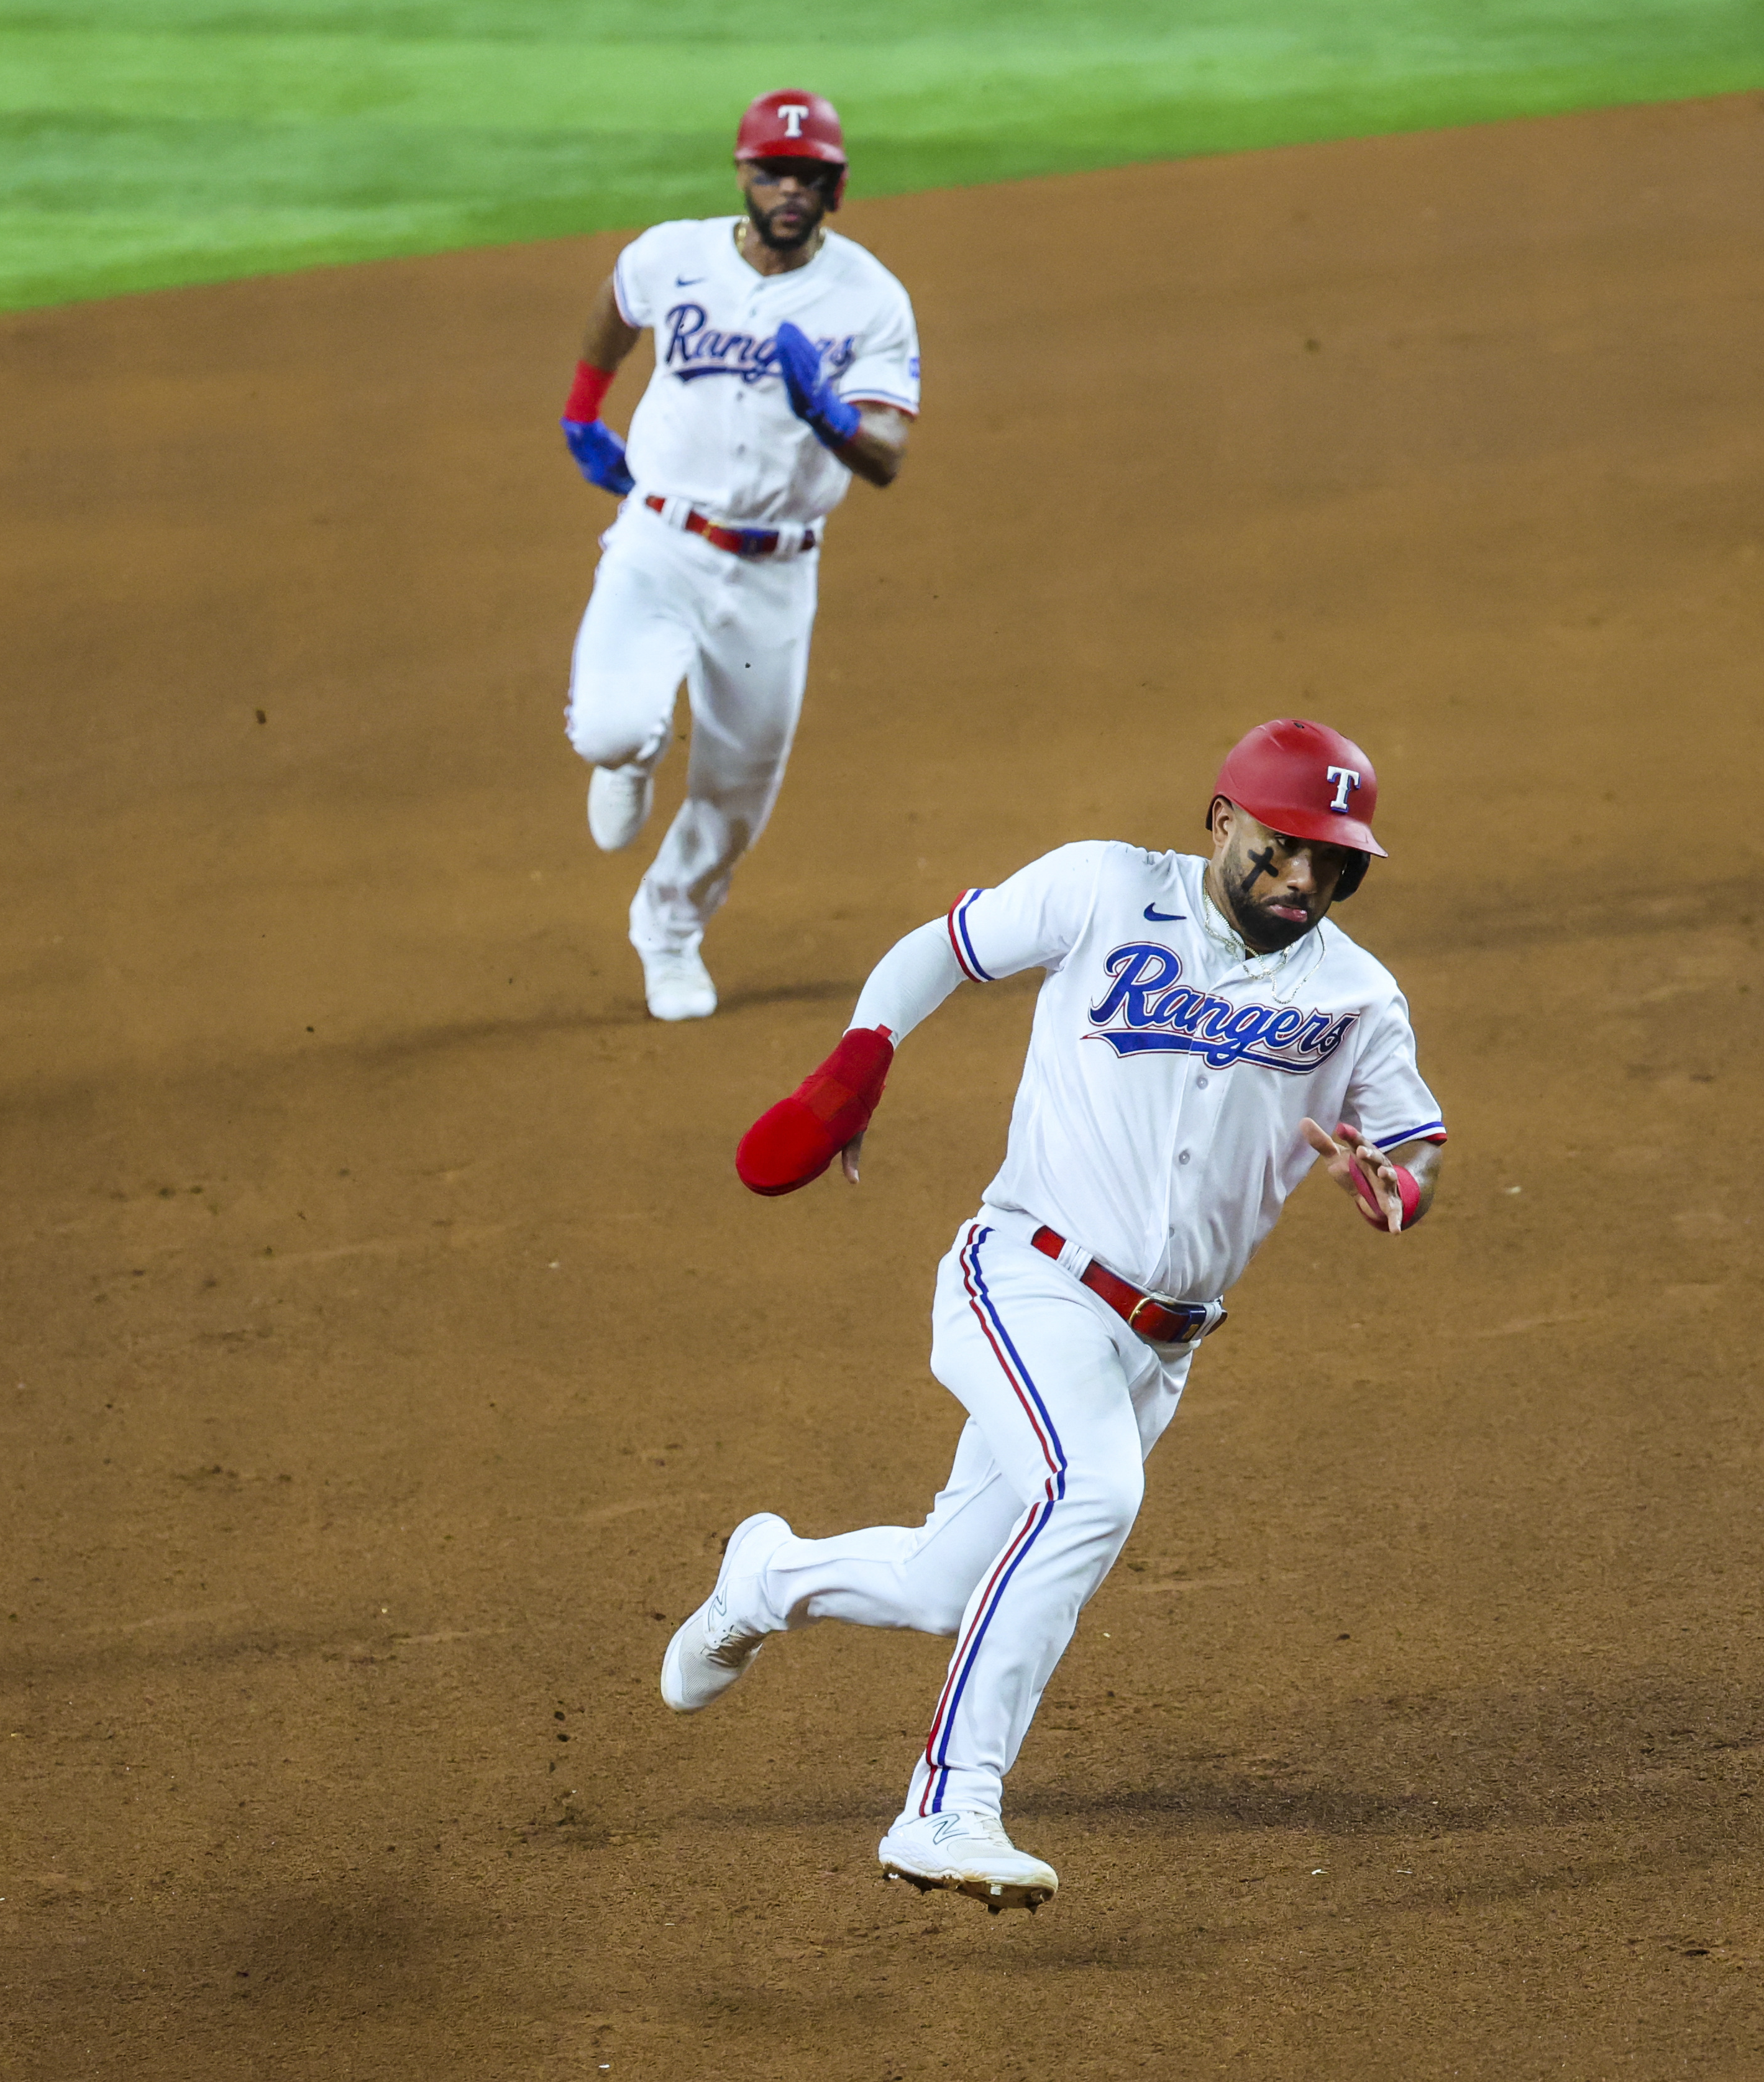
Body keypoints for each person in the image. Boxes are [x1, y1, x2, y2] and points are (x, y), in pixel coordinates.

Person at [658, 719, 1448, 1911]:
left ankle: (767, 1578)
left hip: (1160, 1347)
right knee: (1091, 1493)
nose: (1303, 881)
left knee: (940, 1585)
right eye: (1282, 850)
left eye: (1333, 863)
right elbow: (944, 949)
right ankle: (947, 1807)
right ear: (1221, 820)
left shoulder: (1355, 995)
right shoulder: (1103, 887)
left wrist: (1396, 1191)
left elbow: (1412, 1148)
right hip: (1026, 1279)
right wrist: (852, 1071)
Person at [555, 89, 922, 1021]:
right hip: (658, 539)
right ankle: (632, 753)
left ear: (835, 187)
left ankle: (668, 930)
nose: (788, 190)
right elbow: (618, 300)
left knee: (737, 788)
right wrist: (583, 405)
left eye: (808, 176)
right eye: (771, 173)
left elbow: (882, 456)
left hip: (775, 570)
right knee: (607, 729)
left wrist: (831, 418)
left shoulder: (872, 300)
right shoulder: (672, 254)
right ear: (743, 178)